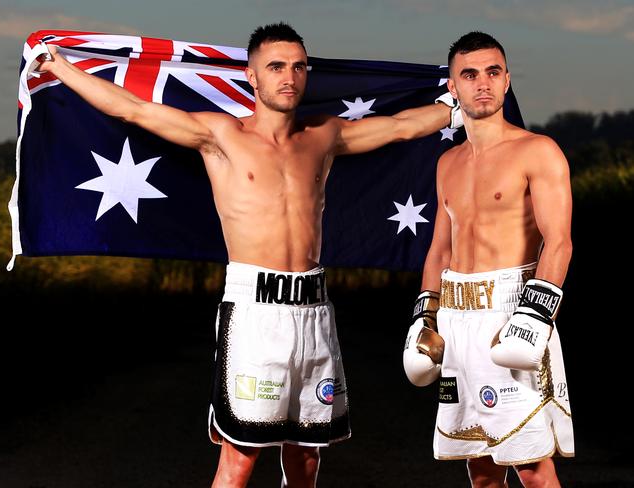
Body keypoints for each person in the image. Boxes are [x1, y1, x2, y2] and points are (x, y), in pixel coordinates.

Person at [35, 23, 459, 487]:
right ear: (252, 77)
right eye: (276, 67)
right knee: (240, 459)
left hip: (314, 313)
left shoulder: (324, 136)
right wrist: (61, 68)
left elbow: (399, 128)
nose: (289, 77)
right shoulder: (222, 136)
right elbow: (134, 110)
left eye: (298, 67)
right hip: (255, 312)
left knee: (307, 458)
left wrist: (453, 105)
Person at [402, 32, 574, 487]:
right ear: (453, 89)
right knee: (478, 464)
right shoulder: (448, 162)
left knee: (533, 466)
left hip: (512, 311)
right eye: (470, 74)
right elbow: (439, 250)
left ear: (507, 81)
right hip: (457, 319)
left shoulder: (537, 150)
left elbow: (559, 242)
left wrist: (533, 318)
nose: (483, 83)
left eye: (493, 72)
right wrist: (426, 317)